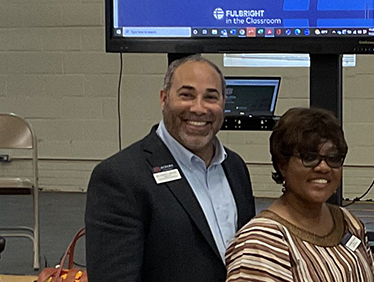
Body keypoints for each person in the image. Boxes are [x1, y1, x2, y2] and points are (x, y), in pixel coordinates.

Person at [86, 55, 257, 282]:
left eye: (211, 97)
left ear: (223, 103)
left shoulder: (235, 167)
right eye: (186, 95)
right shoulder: (119, 177)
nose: (199, 108)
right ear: (164, 98)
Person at [225, 107, 374, 282]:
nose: (323, 167)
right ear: (282, 165)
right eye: (309, 157)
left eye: (333, 158)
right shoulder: (260, 244)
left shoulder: (348, 222)